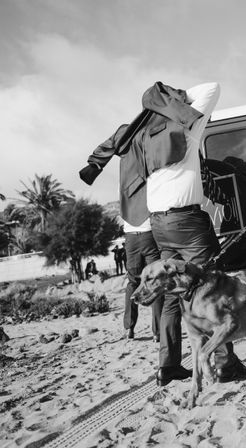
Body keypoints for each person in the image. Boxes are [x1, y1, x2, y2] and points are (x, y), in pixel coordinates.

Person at [145, 82, 246, 386]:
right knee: (213, 287)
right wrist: (180, 98)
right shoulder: (187, 126)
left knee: (171, 293)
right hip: (185, 221)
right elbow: (213, 87)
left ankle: (167, 365)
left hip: (158, 222)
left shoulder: (149, 136)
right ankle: (225, 365)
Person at [80, 121, 163, 343]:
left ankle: (129, 328)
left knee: (133, 281)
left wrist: (96, 164)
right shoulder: (150, 166)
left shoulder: (124, 173)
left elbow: (112, 143)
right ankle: (157, 331)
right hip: (148, 232)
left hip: (130, 235)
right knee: (155, 281)